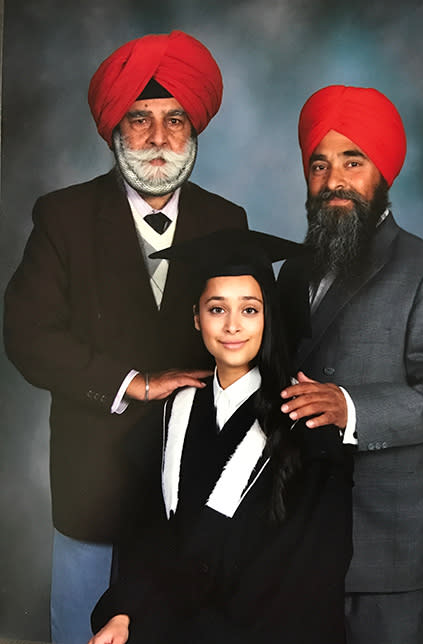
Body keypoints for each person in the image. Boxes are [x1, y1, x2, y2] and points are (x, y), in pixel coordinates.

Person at [3, 31, 247, 644]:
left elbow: (249, 344)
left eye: (174, 120)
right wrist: (131, 383)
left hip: (194, 495)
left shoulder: (227, 221)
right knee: (85, 634)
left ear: (194, 131)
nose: (159, 139)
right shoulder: (61, 216)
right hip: (94, 491)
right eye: (140, 120)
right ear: (115, 129)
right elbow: (27, 333)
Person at [278, 85, 423, 644]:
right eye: (319, 165)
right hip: (300, 541)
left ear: (382, 172)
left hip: (392, 549)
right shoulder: (293, 271)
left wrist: (351, 407)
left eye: (352, 161)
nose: (334, 180)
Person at [88, 229, 353, 644]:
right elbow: (145, 538)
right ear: (196, 318)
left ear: (269, 317)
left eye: (249, 310)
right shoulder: (166, 420)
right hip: (167, 627)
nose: (232, 326)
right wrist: (123, 611)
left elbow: (307, 580)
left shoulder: (307, 429)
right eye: (217, 309)